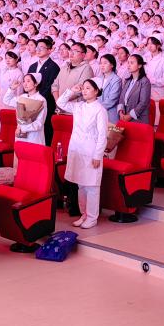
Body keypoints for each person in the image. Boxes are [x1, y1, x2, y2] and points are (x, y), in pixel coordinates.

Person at [57, 80, 108, 229]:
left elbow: (102, 135)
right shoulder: (79, 106)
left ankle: (92, 217)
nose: (84, 91)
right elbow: (60, 102)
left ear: (96, 91)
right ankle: (84, 214)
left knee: (91, 186)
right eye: (83, 88)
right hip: (77, 150)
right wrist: (72, 91)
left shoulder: (100, 110)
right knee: (81, 185)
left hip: (91, 151)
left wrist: (98, 155)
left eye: (88, 88)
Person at [27, 37, 61, 143]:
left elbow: (51, 86)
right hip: (31, 104)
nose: (38, 49)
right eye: (37, 47)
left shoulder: (54, 67)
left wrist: (37, 100)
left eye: (42, 47)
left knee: (45, 132)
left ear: (49, 50)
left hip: (45, 104)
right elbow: (27, 83)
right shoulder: (32, 66)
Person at [118, 54, 152, 122]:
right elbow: (121, 98)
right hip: (124, 117)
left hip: (138, 119)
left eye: (132, 63)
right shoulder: (127, 81)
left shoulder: (145, 81)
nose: (129, 65)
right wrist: (120, 112)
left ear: (139, 65)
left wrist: (130, 115)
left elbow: (143, 102)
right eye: (128, 63)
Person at [95, 53, 122, 124]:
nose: (102, 65)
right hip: (97, 115)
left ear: (112, 65)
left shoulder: (116, 80)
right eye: (101, 63)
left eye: (105, 63)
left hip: (109, 115)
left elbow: (112, 100)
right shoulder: (99, 79)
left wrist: (96, 108)